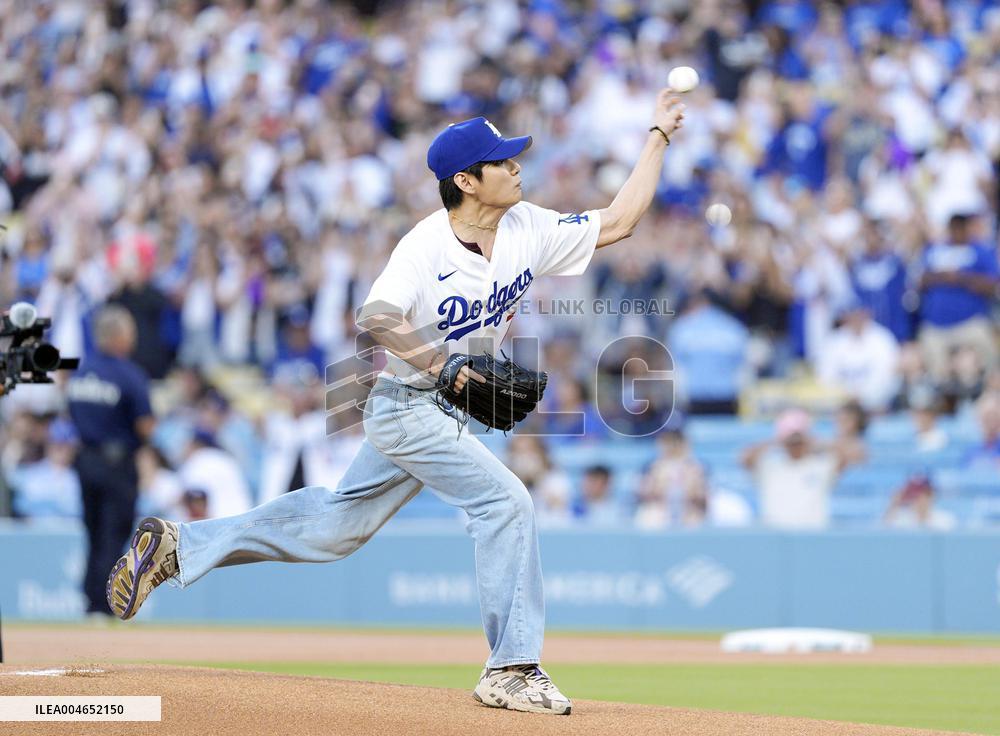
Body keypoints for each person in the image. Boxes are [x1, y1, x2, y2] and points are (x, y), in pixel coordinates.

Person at [106, 95, 686, 715]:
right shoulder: (425, 245)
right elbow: (376, 316)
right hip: (409, 402)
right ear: (465, 181)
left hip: (441, 407)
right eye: (502, 161)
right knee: (507, 501)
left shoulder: (528, 228)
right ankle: (512, 667)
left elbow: (620, 221)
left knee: (335, 529)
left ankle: (179, 546)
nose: (517, 167)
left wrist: (657, 134)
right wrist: (443, 365)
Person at [67, 306, 154, 617]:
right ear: (118, 337)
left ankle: (90, 602)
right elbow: (145, 424)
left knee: (92, 532)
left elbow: (72, 414)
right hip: (117, 464)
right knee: (113, 533)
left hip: (86, 459)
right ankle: (104, 604)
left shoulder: (80, 373)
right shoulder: (129, 375)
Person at [742, 408, 856, 529]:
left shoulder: (821, 465)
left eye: (799, 440)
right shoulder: (769, 467)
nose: (795, 445)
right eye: (792, 441)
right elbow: (746, 458)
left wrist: (817, 442)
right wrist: (777, 441)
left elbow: (848, 456)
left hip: (812, 534)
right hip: (776, 536)